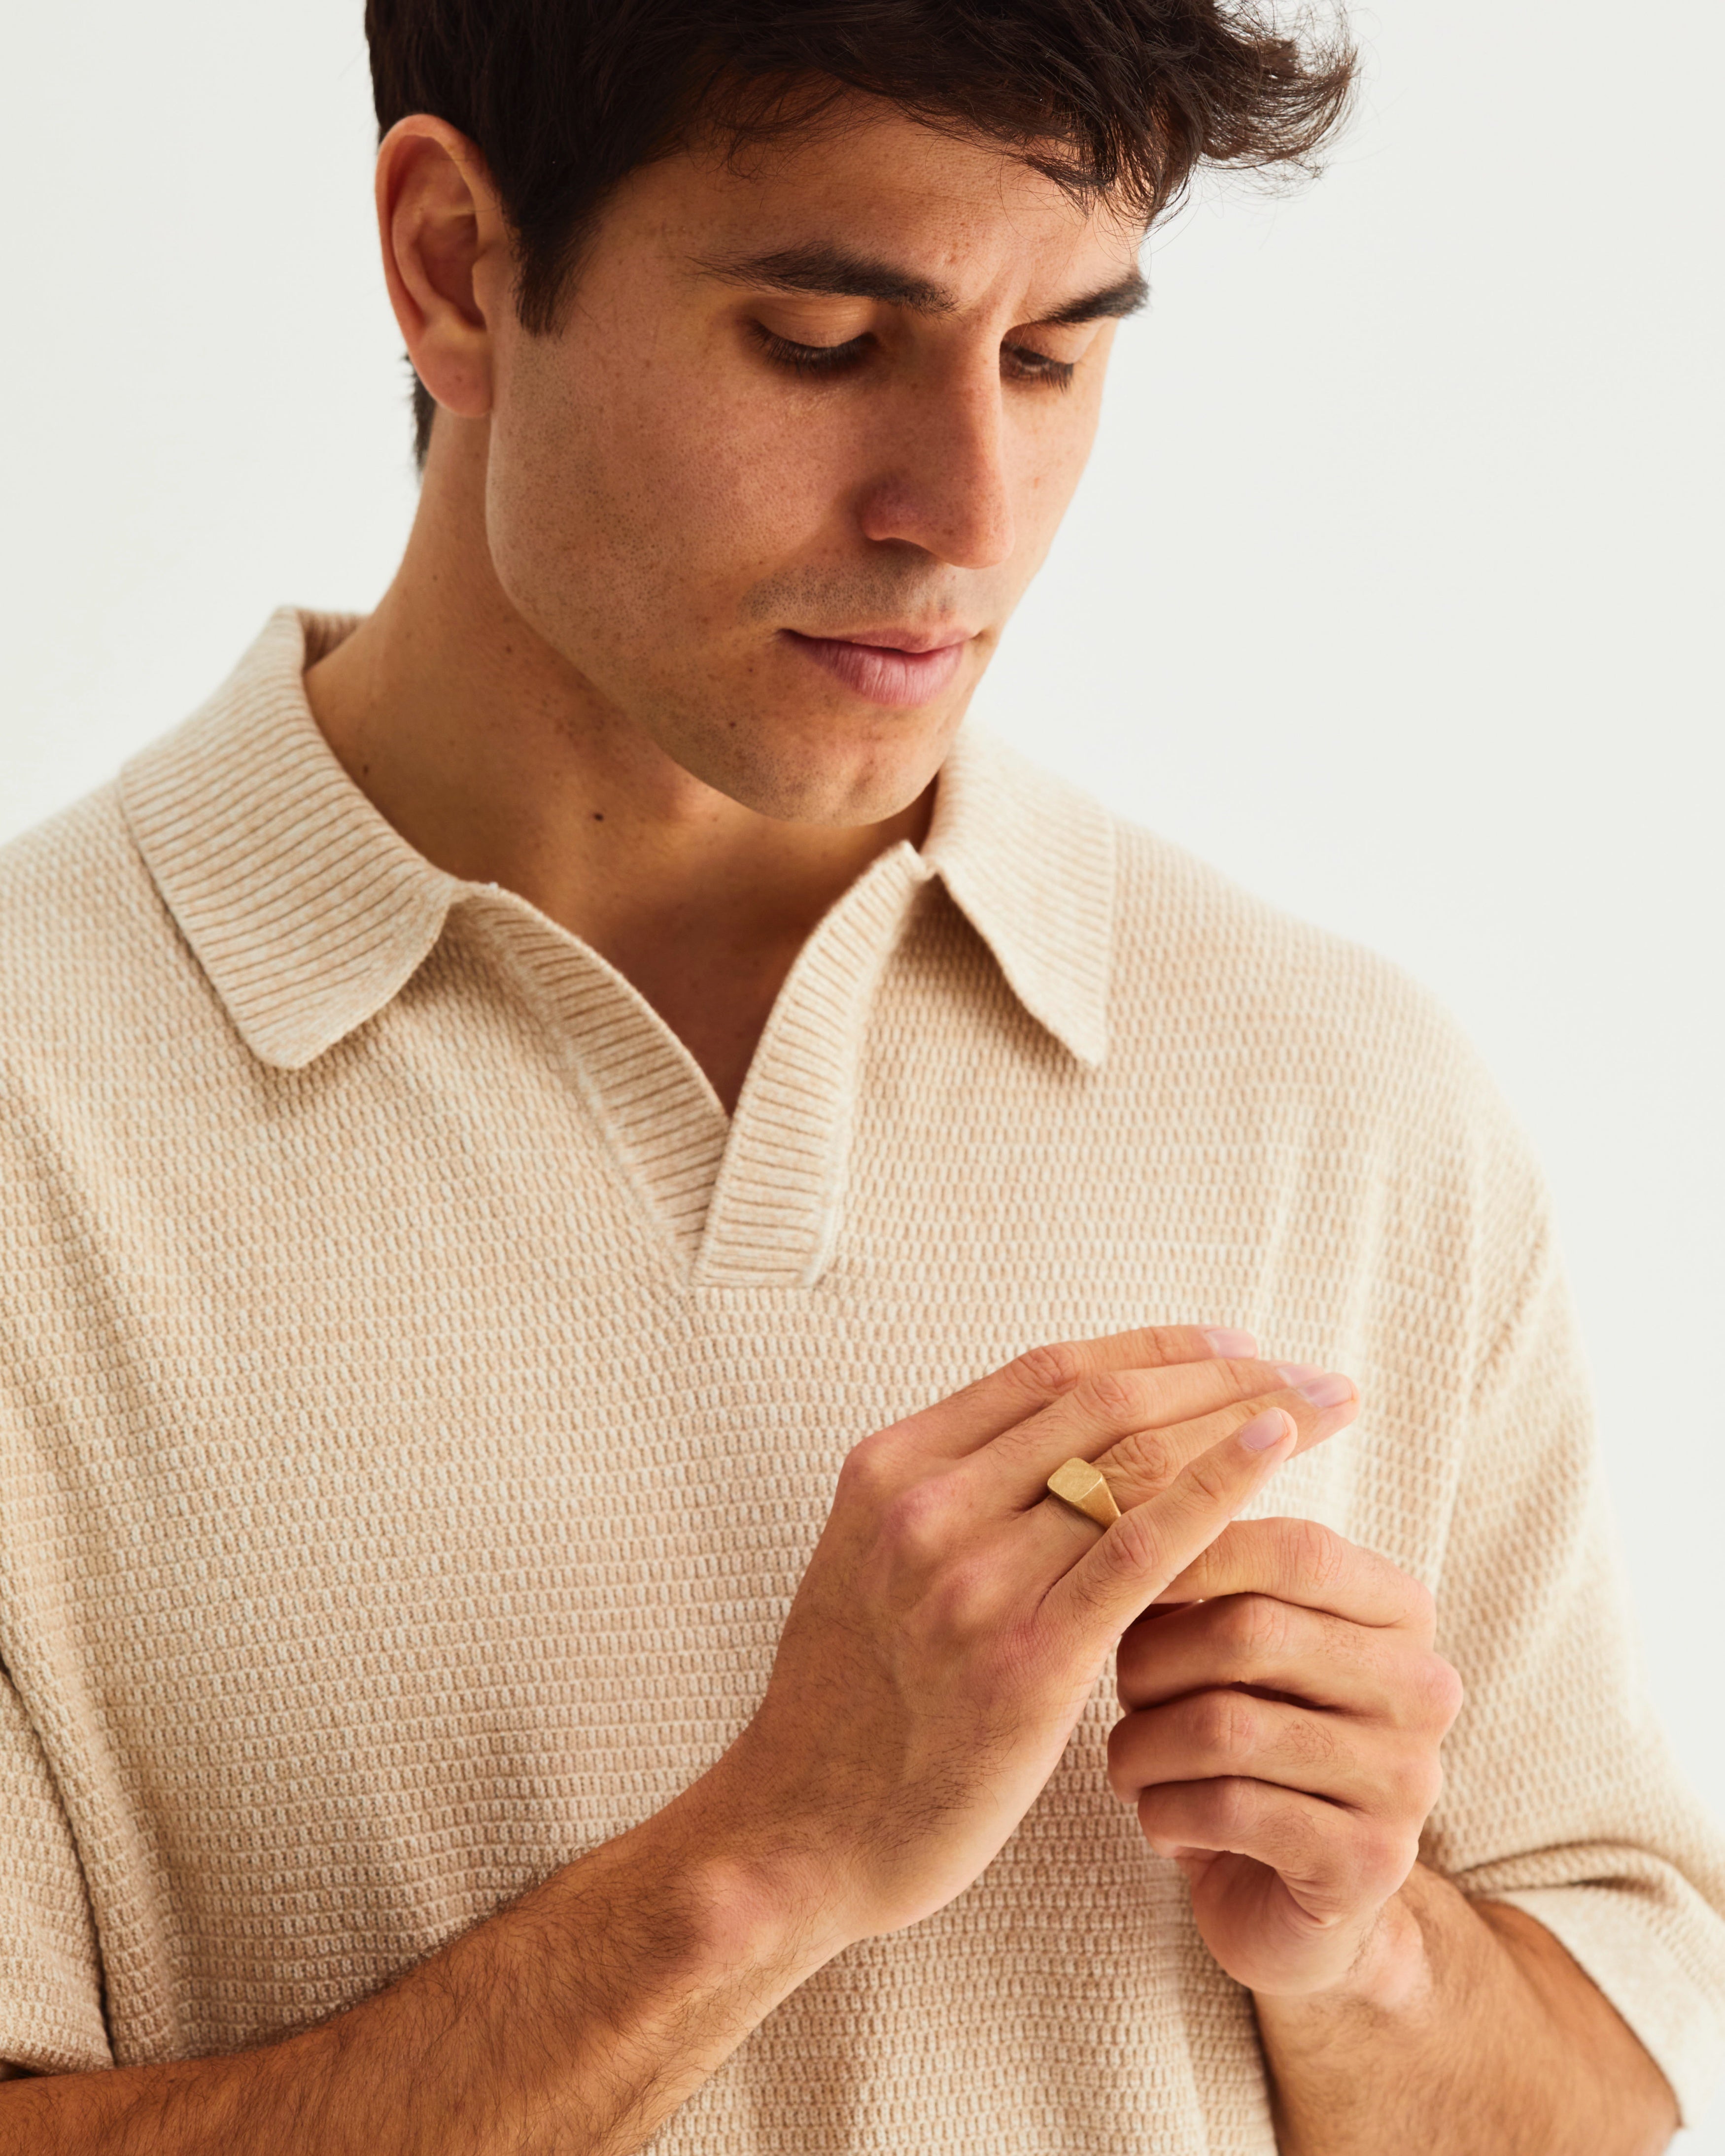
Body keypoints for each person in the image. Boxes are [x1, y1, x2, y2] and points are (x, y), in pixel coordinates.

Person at [0, 0, 1719, 2149]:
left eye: (1053, 353)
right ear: (453, 265)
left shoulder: (1336, 1090)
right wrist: (773, 1855)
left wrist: (1360, 1948)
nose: (964, 516)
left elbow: (1594, 2081)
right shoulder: (38, 1105)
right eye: (822, 342)